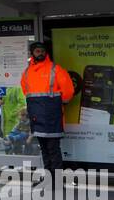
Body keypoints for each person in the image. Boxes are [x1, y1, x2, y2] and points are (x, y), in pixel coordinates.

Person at [20, 39, 76, 173]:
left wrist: (57, 104)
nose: (40, 53)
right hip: (40, 116)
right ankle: (50, 178)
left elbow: (68, 91)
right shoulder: (28, 72)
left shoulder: (55, 69)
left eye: (42, 51)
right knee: (45, 149)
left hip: (48, 116)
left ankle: (55, 180)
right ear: (32, 53)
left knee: (52, 149)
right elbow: (26, 91)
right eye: (37, 51)